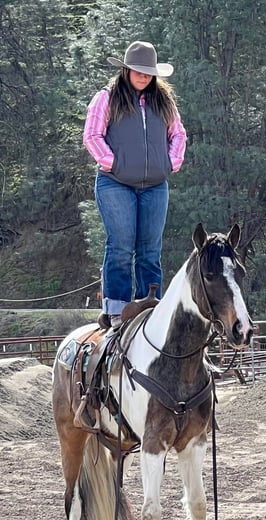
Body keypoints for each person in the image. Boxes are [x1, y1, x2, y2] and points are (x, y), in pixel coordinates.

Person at [83, 40, 187, 330]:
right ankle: (116, 310)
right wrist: (113, 163)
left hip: (155, 185)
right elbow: (92, 135)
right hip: (115, 183)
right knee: (120, 246)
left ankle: (150, 307)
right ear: (126, 70)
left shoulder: (163, 102)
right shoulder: (106, 98)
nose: (143, 76)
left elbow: (178, 134)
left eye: (148, 72)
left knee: (150, 250)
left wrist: (171, 163)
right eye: (138, 71)